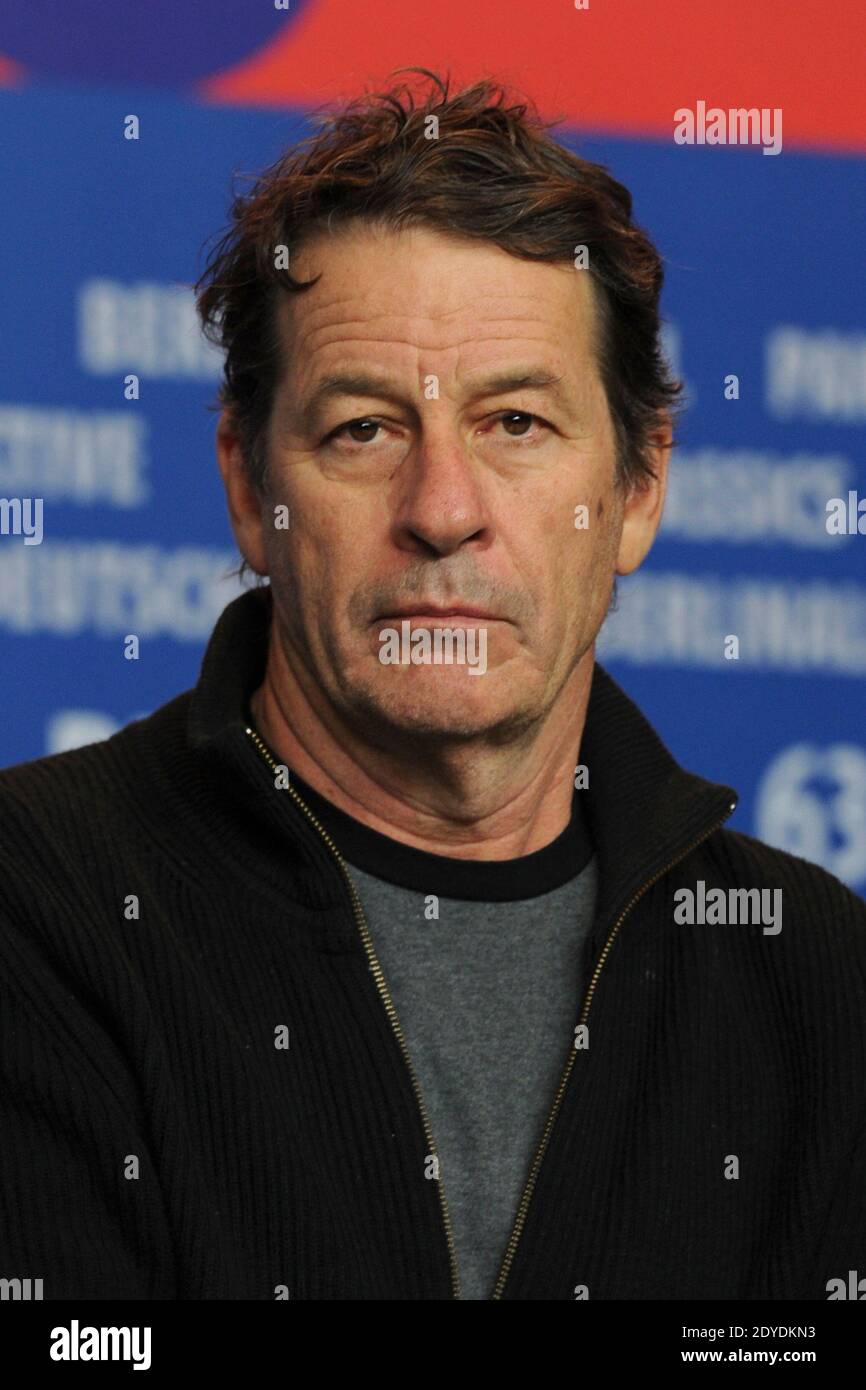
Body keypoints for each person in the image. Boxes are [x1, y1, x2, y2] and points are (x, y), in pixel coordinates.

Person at [1, 69, 864, 1302]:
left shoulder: (815, 974)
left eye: (515, 423)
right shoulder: (37, 904)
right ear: (251, 490)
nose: (442, 512)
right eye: (363, 429)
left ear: (635, 491)